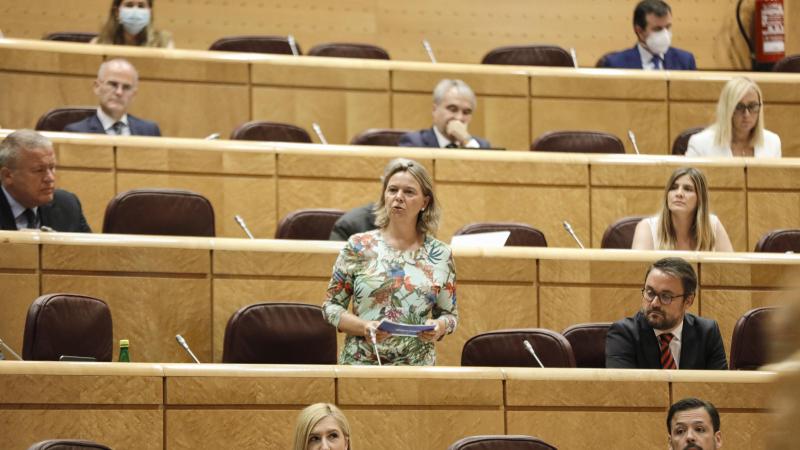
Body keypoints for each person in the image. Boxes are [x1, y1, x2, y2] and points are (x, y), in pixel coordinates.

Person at [322, 158, 457, 365]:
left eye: (409, 192)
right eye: (392, 190)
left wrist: (439, 327)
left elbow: (450, 315)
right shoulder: (358, 246)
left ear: (425, 202)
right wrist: (364, 327)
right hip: (362, 363)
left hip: (418, 368)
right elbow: (331, 307)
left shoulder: (440, 253)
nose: (398, 197)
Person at [606, 257, 728, 370]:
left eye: (666, 296)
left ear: (688, 301)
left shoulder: (707, 333)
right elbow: (624, 390)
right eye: (650, 293)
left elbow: (719, 389)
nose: (654, 303)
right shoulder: (623, 334)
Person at [0, 130, 91, 232]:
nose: (50, 178)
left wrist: (56, 246)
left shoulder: (67, 205)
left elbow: (91, 248)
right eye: (39, 170)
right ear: (7, 176)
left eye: (52, 168)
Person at [631, 167, 733, 251]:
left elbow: (731, 270)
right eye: (673, 188)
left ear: (700, 199)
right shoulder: (647, 228)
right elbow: (637, 272)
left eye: (688, 189)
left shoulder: (713, 225)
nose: (679, 193)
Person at [687, 77, 781, 158]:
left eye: (752, 106)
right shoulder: (700, 144)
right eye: (739, 107)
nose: (746, 114)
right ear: (727, 109)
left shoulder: (773, 142)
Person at [65, 58, 162, 136]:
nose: (119, 92)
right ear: (97, 87)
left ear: (133, 95)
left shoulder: (149, 131)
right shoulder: (76, 132)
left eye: (126, 87)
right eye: (113, 84)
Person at [599, 0, 696, 70]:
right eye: (657, 29)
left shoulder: (685, 61)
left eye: (668, 27)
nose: (665, 34)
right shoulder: (615, 64)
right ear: (639, 31)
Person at [399, 79, 491, 149]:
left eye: (466, 112)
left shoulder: (481, 146)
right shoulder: (414, 143)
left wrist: (467, 142)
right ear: (434, 110)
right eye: (453, 109)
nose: (459, 118)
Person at [92, 0, 174, 48]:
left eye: (141, 6)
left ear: (149, 12)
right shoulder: (99, 44)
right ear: (117, 12)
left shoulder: (163, 43)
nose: (135, 11)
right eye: (129, 5)